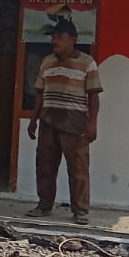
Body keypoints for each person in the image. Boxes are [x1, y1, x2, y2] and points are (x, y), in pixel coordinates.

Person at [26, 18, 101, 225]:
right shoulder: (47, 61)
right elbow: (39, 94)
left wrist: (92, 124)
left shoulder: (87, 63)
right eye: (53, 36)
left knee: (77, 167)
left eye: (59, 36)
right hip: (48, 120)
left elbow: (94, 96)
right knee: (45, 164)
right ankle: (44, 205)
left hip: (75, 122)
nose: (54, 40)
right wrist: (33, 120)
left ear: (73, 39)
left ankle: (81, 210)